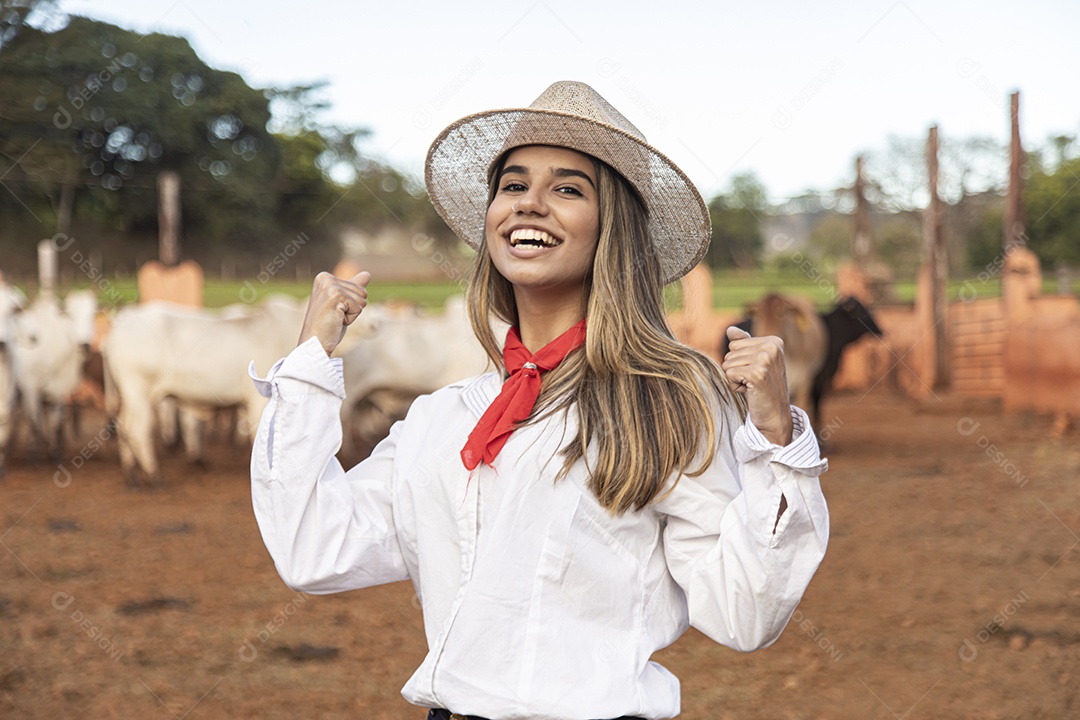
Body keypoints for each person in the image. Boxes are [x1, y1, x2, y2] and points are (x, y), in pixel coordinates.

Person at [249, 81, 829, 720]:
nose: (530, 204)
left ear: (612, 227)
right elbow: (314, 549)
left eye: (568, 188)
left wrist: (776, 440)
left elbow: (742, 612)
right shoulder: (444, 418)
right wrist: (308, 365)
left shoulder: (667, 403)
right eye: (514, 185)